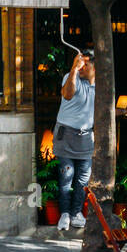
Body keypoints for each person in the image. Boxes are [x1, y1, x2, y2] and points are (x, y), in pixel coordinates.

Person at [54, 48, 95, 231]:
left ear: (95, 66)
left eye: (85, 64)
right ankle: (64, 214)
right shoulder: (71, 78)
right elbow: (68, 94)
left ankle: (76, 213)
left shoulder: (100, 86)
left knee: (82, 180)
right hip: (66, 135)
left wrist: (124, 111)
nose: (81, 67)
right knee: (66, 176)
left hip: (86, 137)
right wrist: (73, 69)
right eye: (80, 62)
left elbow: (103, 112)